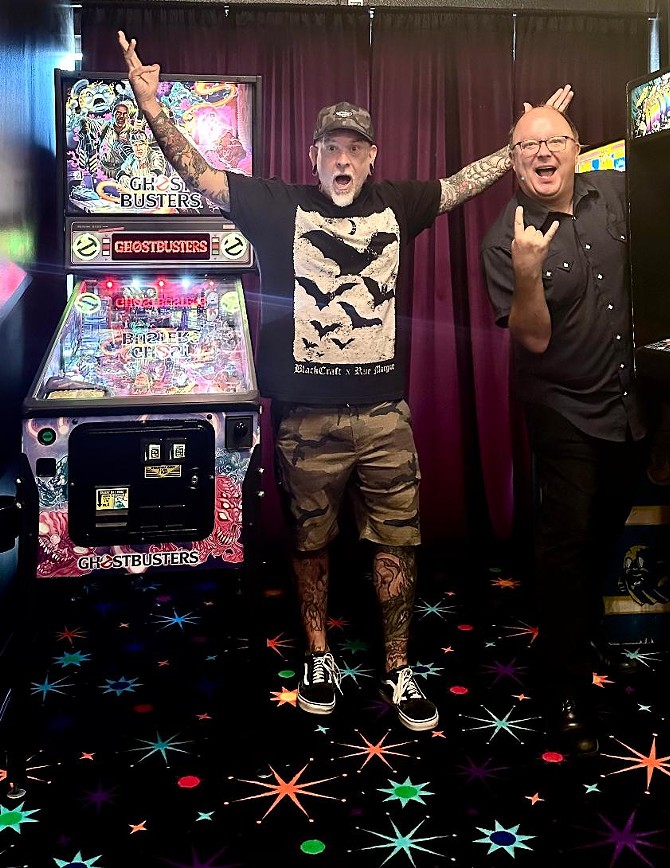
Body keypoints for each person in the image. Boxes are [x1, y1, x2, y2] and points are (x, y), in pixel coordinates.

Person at [118, 30, 571, 733]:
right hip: (306, 419)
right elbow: (200, 177)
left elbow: (460, 185)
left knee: (399, 542)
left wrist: (524, 145)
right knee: (309, 543)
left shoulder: (397, 203)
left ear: (371, 158)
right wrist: (151, 108)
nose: (342, 159)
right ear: (313, 157)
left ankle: (397, 665)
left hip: (385, 415)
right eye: (331, 147)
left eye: (354, 148)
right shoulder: (277, 205)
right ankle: (320, 654)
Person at [481, 105, 647, 754]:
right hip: (562, 406)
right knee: (566, 544)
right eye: (528, 146)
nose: (543, 154)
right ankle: (566, 688)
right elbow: (534, 338)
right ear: (513, 160)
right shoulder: (505, 236)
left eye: (555, 141)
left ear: (577, 149)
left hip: (629, 402)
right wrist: (527, 270)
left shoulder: (616, 195)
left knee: (607, 529)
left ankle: (581, 626)